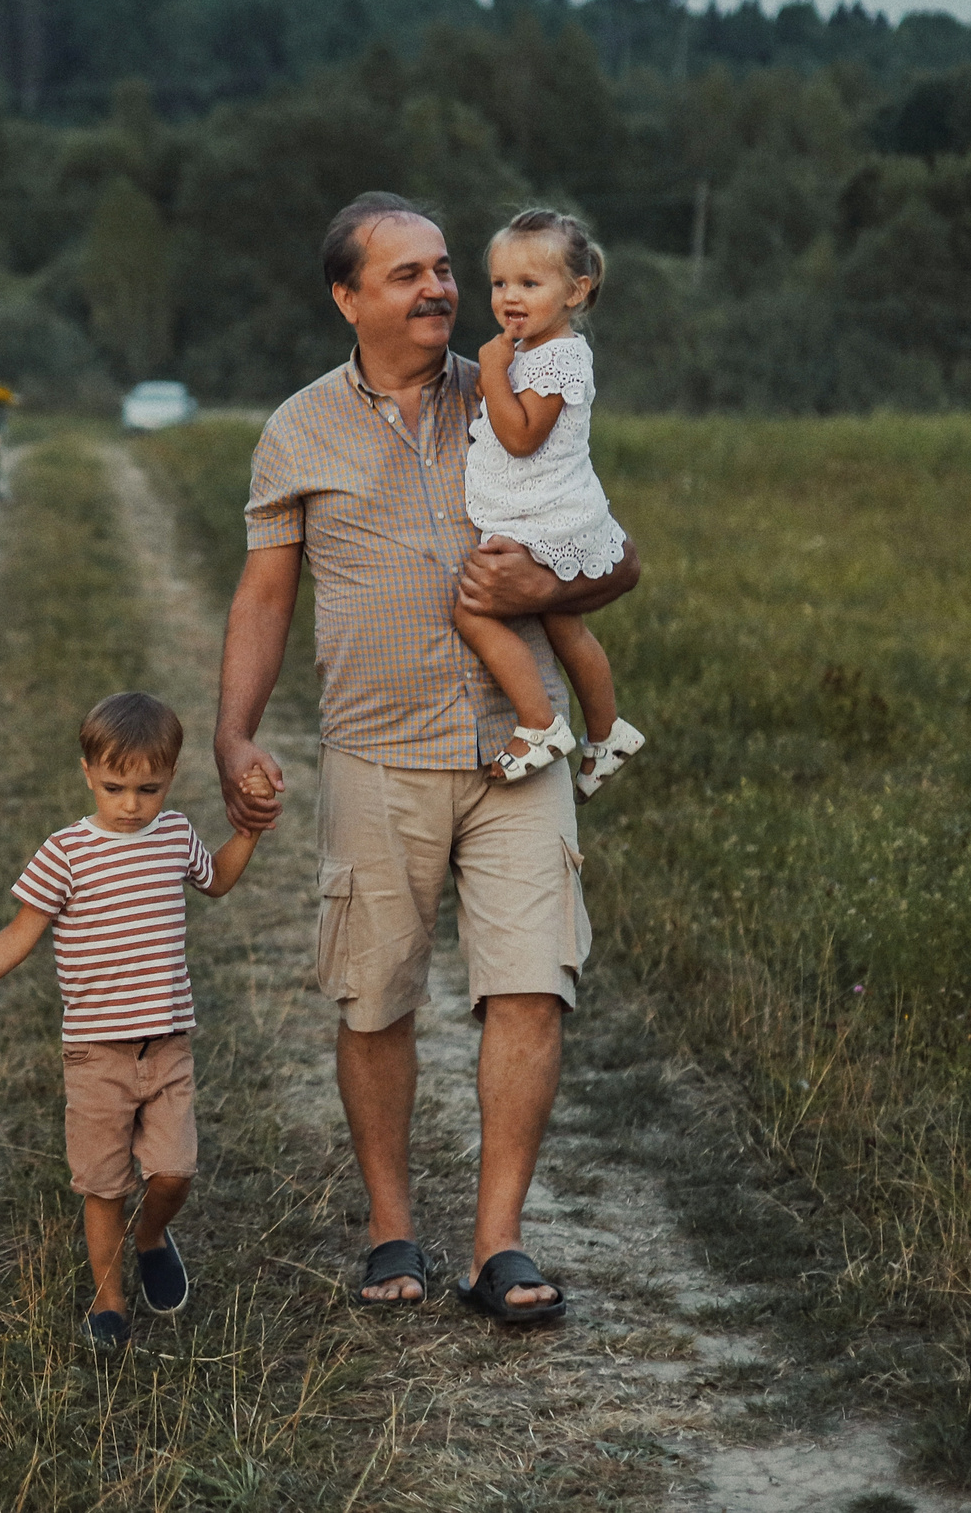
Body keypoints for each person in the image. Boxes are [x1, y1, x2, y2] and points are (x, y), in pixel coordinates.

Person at [213, 194, 641, 1325]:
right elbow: (263, 597)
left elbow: (615, 560)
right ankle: (389, 1226)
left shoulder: (522, 390)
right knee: (374, 998)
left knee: (531, 989)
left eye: (445, 267)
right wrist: (231, 731)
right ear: (348, 298)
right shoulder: (296, 431)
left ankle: (497, 1244)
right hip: (378, 753)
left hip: (520, 747)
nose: (442, 289)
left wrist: (550, 589)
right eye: (407, 274)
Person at [0, 693, 267, 1352]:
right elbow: (21, 932)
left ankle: (152, 1235)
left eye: (150, 787)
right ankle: (108, 1299)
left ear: (170, 777)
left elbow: (217, 880)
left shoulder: (174, 836)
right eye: (115, 787)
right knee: (104, 1183)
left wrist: (250, 831)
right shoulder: (66, 853)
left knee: (174, 1171)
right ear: (87, 772)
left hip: (167, 1043)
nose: (133, 803)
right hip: (95, 1052)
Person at [455, 209, 647, 795]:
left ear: (575, 291)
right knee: (565, 625)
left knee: (472, 610)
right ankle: (607, 730)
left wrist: (490, 371)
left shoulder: (556, 356)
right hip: (555, 509)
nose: (510, 297)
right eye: (499, 283)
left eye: (529, 284)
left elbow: (521, 437)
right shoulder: (535, 350)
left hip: (543, 519)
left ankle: (539, 723)